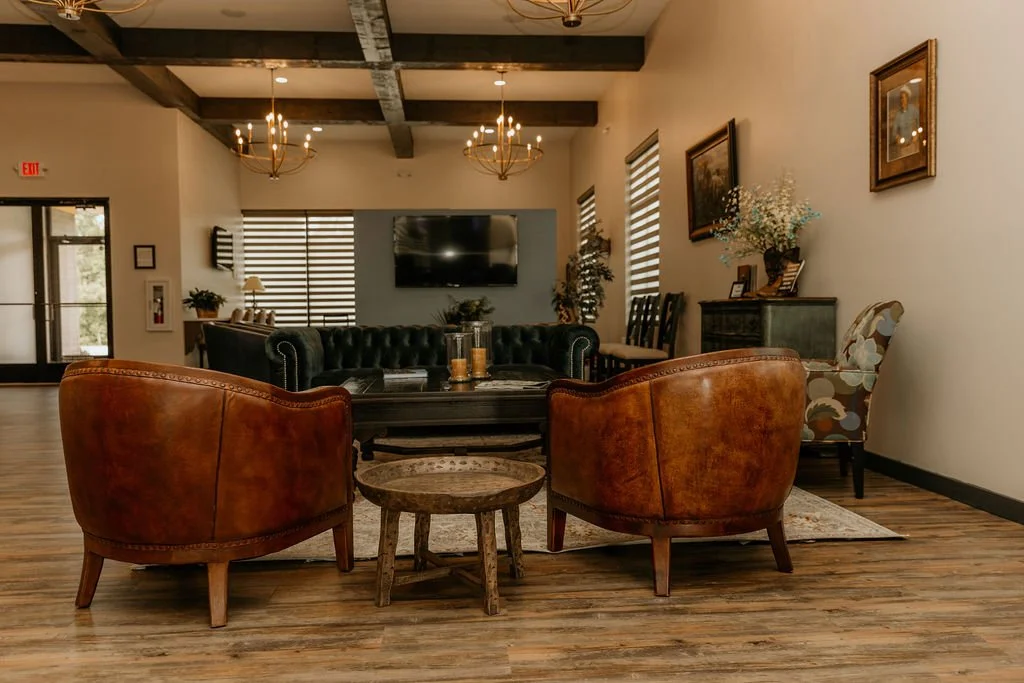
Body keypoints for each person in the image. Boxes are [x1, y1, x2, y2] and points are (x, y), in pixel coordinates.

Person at [890, 84, 921, 159]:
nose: (902, 100)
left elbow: (920, 123)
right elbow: (894, 131)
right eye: (901, 98)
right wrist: (897, 137)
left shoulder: (913, 110)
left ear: (907, 98)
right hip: (903, 147)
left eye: (903, 98)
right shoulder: (898, 115)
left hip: (913, 144)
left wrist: (917, 133)